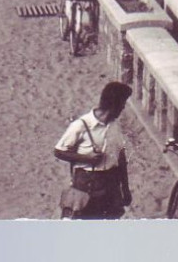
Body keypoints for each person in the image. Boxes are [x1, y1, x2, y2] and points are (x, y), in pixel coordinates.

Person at [53, 81, 133, 219]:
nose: (123, 108)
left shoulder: (114, 126)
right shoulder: (81, 125)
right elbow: (59, 151)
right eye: (122, 104)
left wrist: (125, 189)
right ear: (114, 105)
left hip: (111, 185)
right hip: (86, 185)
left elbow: (121, 158)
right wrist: (86, 158)